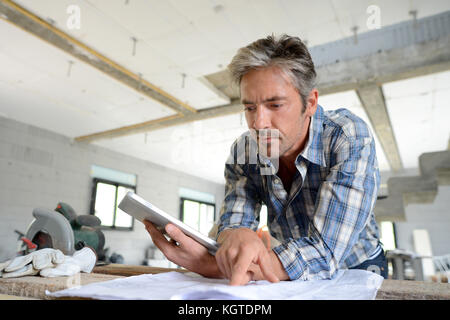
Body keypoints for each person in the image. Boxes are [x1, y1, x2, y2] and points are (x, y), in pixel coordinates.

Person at [144, 34, 388, 286]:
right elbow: (234, 221)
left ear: (311, 102)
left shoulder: (346, 137)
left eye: (275, 105)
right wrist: (234, 236)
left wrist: (213, 264)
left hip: (355, 265)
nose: (259, 124)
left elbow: (325, 252)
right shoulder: (245, 149)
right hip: (289, 267)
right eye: (250, 108)